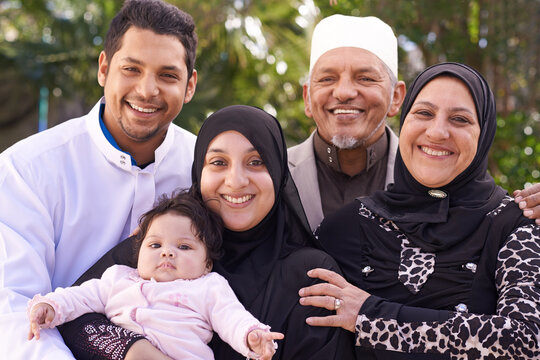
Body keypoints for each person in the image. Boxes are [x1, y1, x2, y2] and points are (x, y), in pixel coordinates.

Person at [62, 105, 356, 359]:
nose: (236, 180)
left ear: (278, 172)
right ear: (199, 172)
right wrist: (135, 351)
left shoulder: (310, 276)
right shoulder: (162, 243)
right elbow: (71, 318)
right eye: (218, 162)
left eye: (256, 162)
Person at [298, 62, 540, 359]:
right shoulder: (345, 227)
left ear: (484, 132)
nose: (437, 132)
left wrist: (370, 317)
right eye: (424, 113)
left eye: (460, 119)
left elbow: (527, 340)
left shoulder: (515, 224)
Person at [0, 0, 198, 358]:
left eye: (167, 75)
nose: (147, 90)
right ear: (104, 69)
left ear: (190, 85)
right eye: (132, 69)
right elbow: (12, 309)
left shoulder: (206, 169)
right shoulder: (27, 170)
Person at [288, 14, 540, 231]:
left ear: (396, 97)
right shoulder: (267, 175)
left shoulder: (439, 166)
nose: (343, 92)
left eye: (365, 78)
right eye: (327, 79)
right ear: (307, 98)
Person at [27, 191, 283, 360]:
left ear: (207, 264)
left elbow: (231, 317)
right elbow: (79, 297)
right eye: (155, 245)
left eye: (183, 247)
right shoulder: (117, 279)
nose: (167, 253)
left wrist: (251, 335)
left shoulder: (208, 287)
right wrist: (49, 305)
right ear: (137, 253)